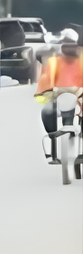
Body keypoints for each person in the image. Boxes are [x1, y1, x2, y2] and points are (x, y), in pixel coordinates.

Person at [34, 34, 83, 162]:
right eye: (66, 45)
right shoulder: (54, 62)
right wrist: (44, 92)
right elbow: (46, 80)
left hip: (80, 96)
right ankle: (52, 143)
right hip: (58, 96)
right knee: (47, 110)